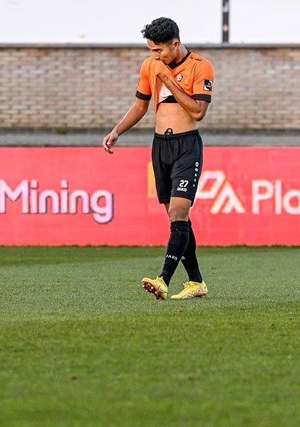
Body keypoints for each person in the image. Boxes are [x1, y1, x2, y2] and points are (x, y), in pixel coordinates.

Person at [102, 17, 214, 300]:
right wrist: (117, 130)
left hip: (187, 145)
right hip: (160, 146)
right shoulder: (150, 65)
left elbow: (197, 111)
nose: (155, 56)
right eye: (151, 50)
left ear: (175, 44)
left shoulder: (200, 66)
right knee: (178, 220)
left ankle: (163, 279)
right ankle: (196, 282)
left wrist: (168, 80)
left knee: (178, 213)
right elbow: (141, 105)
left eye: (159, 51)